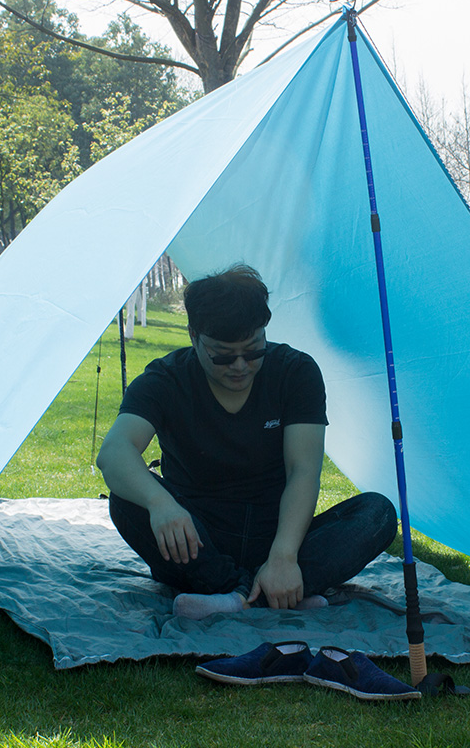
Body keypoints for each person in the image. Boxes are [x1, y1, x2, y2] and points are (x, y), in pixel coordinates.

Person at [96, 265, 398, 621]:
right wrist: (160, 503)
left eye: (254, 350)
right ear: (194, 336)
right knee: (127, 502)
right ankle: (266, 593)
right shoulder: (166, 378)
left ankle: (241, 594)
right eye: (223, 355)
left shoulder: (295, 372)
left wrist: (284, 556)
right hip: (196, 538)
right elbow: (114, 453)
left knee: (377, 514)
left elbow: (303, 471)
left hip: (276, 535)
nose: (240, 365)